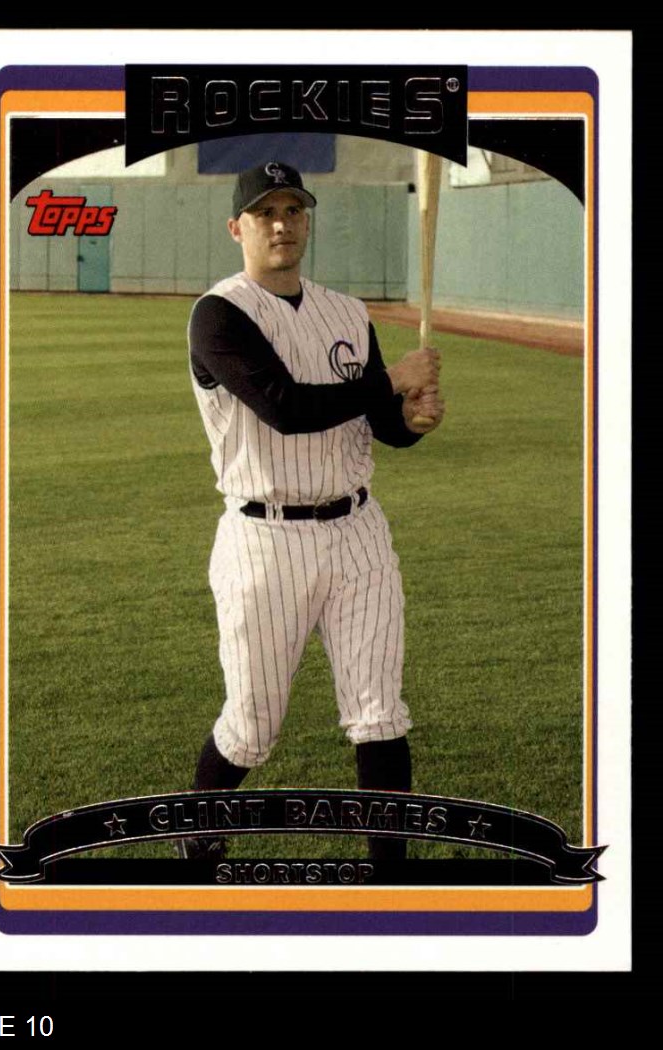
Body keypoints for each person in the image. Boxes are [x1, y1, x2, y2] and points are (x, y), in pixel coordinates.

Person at [180, 161, 444, 862]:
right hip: (265, 540)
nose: (281, 224)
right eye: (265, 212)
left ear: (307, 222)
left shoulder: (348, 313)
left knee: (379, 713)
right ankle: (197, 840)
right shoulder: (219, 314)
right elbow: (287, 408)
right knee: (252, 727)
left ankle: (392, 885)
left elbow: (378, 426)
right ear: (237, 227)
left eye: (294, 210)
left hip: (358, 533)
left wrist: (411, 420)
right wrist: (391, 380)